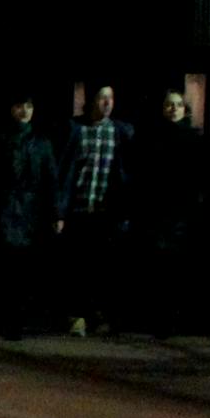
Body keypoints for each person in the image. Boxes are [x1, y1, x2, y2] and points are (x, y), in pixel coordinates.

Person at [0, 94, 62, 336]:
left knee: (23, 270)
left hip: (30, 214)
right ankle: (4, 318)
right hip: (4, 210)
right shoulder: (1, 139)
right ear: (12, 109)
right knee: (5, 268)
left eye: (29, 106)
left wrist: (56, 212)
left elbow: (51, 179)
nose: (25, 111)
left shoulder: (42, 142)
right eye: (20, 106)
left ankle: (17, 319)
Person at [56, 83, 132, 336]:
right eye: (102, 98)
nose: (107, 103)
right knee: (76, 265)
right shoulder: (76, 129)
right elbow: (65, 170)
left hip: (105, 212)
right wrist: (60, 211)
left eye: (111, 98)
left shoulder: (121, 132)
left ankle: (98, 314)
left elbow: (124, 174)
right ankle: (75, 316)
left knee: (102, 266)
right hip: (78, 209)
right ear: (92, 102)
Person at [125, 88, 202, 336]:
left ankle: (174, 319)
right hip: (157, 211)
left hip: (181, 212)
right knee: (158, 265)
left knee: (176, 267)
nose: (174, 109)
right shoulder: (151, 138)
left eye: (178, 105)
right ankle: (158, 320)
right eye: (170, 104)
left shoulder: (193, 139)